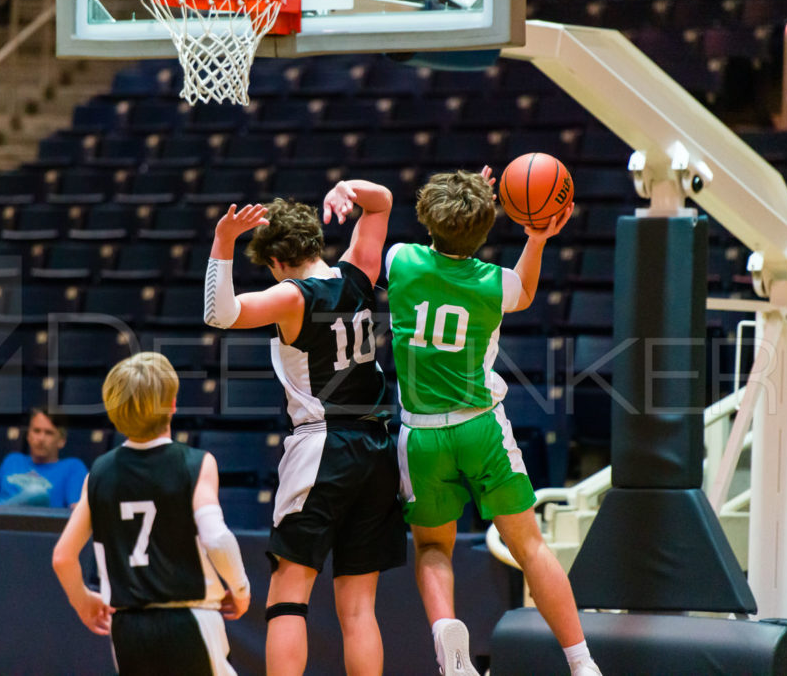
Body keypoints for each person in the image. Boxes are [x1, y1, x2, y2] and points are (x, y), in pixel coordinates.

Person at [385, 167, 600, 676]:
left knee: (435, 547)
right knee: (530, 545)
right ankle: (582, 662)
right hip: (481, 427)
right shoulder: (494, 283)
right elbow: (525, 289)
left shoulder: (400, 261)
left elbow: (432, 241)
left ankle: (447, 643)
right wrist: (537, 234)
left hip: (421, 436)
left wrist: (460, 202)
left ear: (427, 218)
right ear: (486, 229)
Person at [203, 180, 406, 676]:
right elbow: (383, 202)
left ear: (274, 263)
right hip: (379, 447)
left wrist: (222, 241)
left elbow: (219, 313)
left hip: (324, 448)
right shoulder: (360, 271)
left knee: (288, 597)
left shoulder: (291, 296)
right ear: (317, 241)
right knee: (358, 608)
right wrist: (347, 189)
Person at [53, 352, 250, 676]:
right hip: (189, 617)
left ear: (114, 413)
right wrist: (240, 590)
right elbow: (216, 537)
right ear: (172, 404)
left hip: (128, 626)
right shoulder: (196, 463)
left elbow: (63, 557)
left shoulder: (97, 474)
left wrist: (82, 601)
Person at [0, 408, 87, 508]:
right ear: (28, 436)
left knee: (36, 492)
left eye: (48, 433)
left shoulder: (72, 467)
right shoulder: (12, 460)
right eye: (36, 431)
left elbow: (77, 510)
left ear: (61, 441)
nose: (41, 439)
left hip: (40, 522)